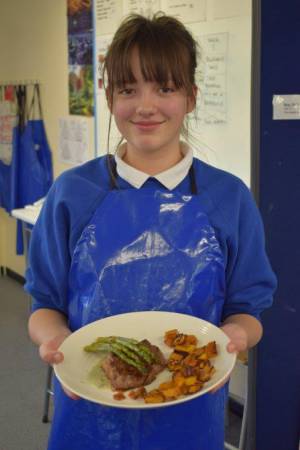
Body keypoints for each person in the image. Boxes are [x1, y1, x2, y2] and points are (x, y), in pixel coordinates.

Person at [25, 13, 277, 450]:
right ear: (108, 95)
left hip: (189, 409)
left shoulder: (229, 198)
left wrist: (236, 335)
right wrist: (56, 343)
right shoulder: (72, 194)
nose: (145, 106)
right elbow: (43, 305)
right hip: (88, 409)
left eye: (164, 88)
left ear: (191, 96)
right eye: (128, 89)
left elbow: (247, 310)